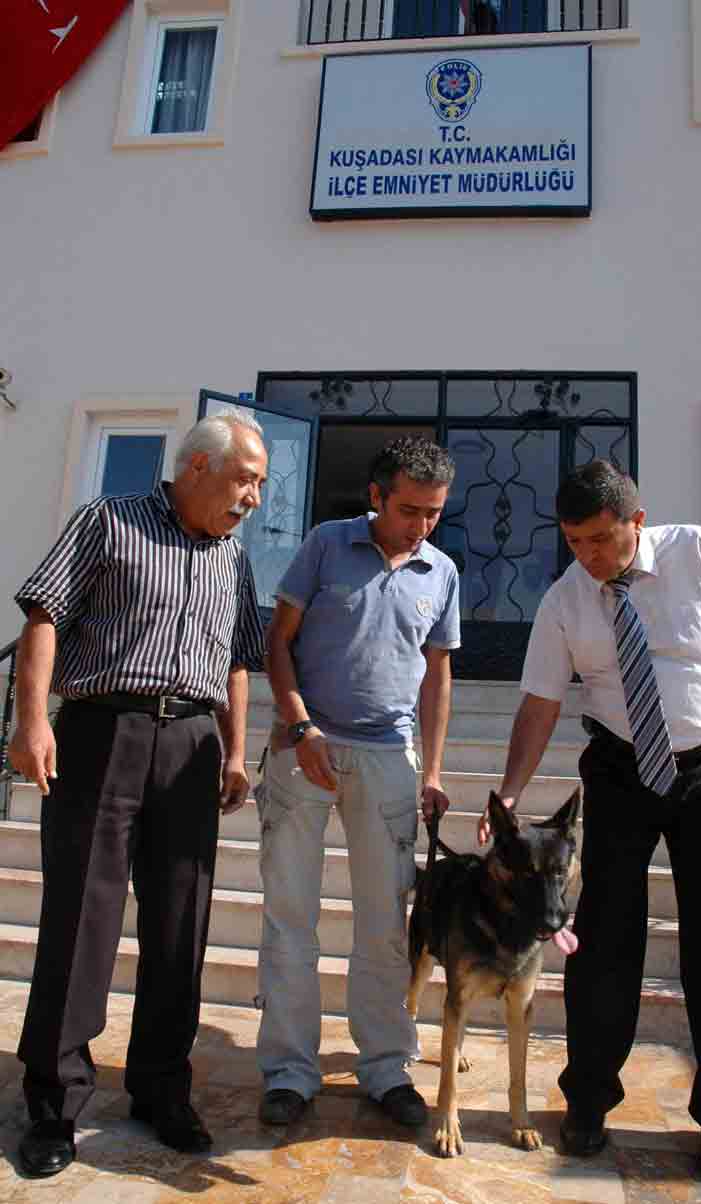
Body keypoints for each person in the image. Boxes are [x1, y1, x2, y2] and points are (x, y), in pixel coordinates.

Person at [478, 459, 701, 1182]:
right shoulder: (565, 600)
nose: (587, 556)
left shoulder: (700, 552)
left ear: (635, 522)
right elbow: (539, 704)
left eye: (599, 540)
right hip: (620, 770)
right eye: (574, 542)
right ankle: (588, 1099)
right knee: (604, 937)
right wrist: (510, 795)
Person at [9, 410, 268, 1178]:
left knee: (181, 927)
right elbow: (44, 614)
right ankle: (54, 1105)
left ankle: (161, 1089)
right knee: (79, 921)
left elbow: (238, 661)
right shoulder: (108, 522)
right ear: (196, 467)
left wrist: (234, 750)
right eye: (246, 479)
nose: (253, 497)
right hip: (102, 733)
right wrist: (30, 721)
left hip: (192, 745)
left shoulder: (234, 557)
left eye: (259, 483)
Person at [257, 435, 460, 1129]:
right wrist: (300, 728)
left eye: (434, 513)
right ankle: (289, 1070)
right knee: (291, 918)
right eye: (409, 510)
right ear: (375, 497)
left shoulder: (442, 572)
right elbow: (276, 642)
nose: (421, 526)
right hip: (304, 748)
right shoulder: (324, 544)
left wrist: (431, 768)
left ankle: (385, 1067)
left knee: (385, 927)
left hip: (388, 757)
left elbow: (438, 675)